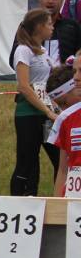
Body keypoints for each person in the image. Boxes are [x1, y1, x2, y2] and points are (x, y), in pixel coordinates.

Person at [10, 9, 60, 197]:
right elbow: (23, 86)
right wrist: (47, 112)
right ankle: (16, 203)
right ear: (39, 27)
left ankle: (59, 199)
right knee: (26, 163)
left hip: (47, 113)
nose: (52, 27)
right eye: (49, 24)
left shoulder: (44, 52)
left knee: (59, 159)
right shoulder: (23, 50)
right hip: (28, 114)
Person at [47, 60, 81, 197]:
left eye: (64, 103)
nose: (76, 77)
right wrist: (57, 206)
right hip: (72, 200)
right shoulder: (66, 118)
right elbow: (62, 169)